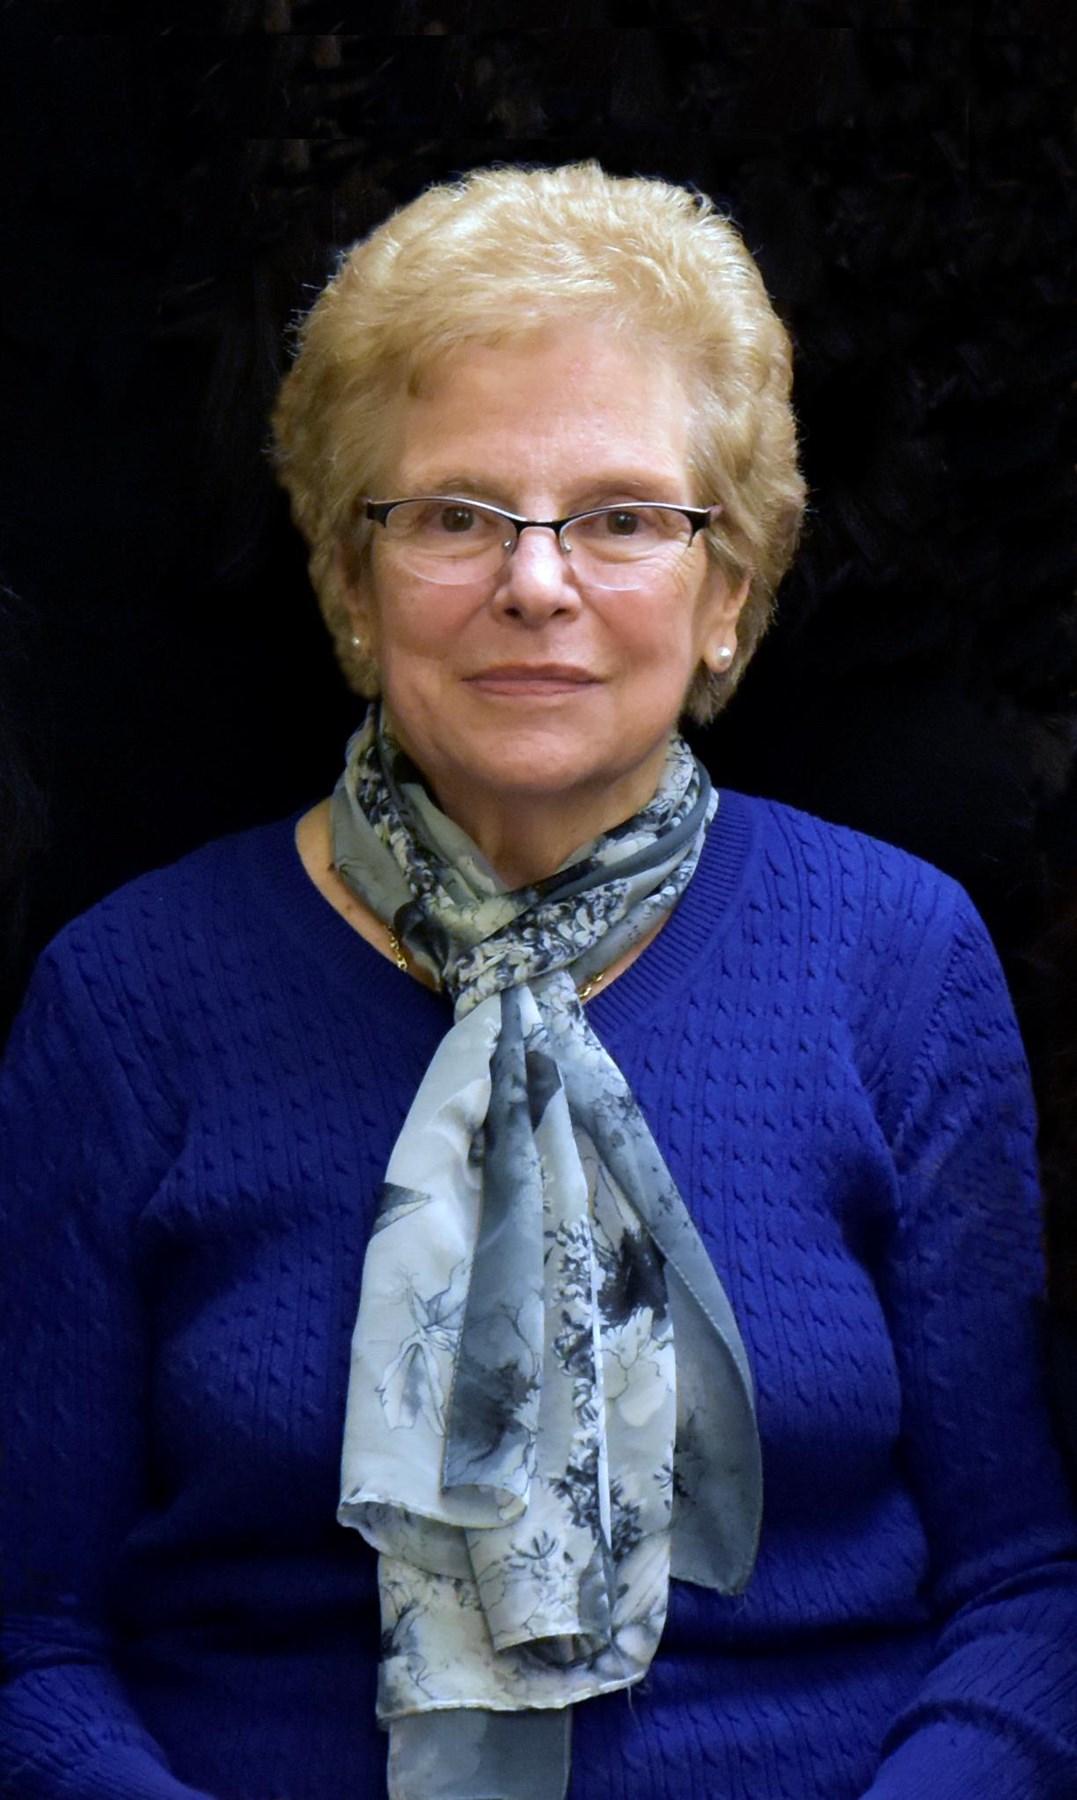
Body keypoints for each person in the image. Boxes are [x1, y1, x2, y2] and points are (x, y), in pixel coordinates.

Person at [1, 161, 1075, 1800]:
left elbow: (1024, 1590)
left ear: (726, 594)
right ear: (349, 581)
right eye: (454, 515)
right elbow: (30, 1633)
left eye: (624, 518)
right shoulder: (129, 997)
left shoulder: (895, 957)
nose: (537, 583)